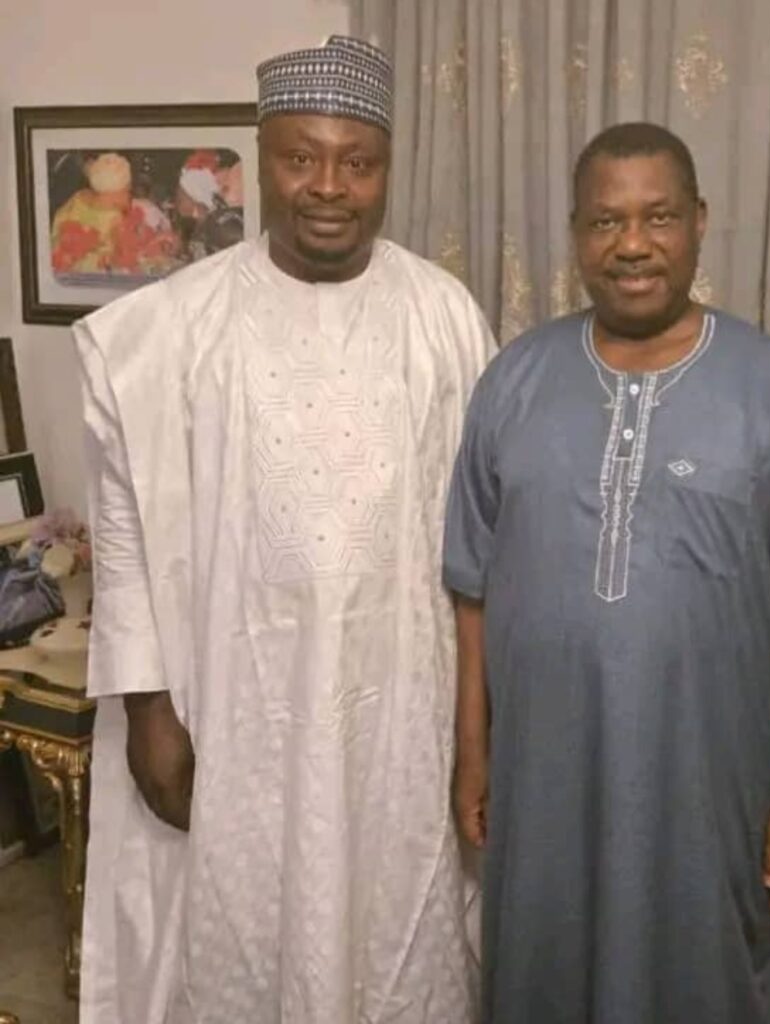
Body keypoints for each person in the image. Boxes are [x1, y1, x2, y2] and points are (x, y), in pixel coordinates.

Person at [75, 35, 494, 1024]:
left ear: (388, 168)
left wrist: (480, 728)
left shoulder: (444, 318)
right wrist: (146, 707)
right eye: (301, 157)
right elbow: (123, 529)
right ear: (260, 158)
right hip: (232, 707)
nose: (329, 187)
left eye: (358, 162)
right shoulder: (170, 330)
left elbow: (485, 541)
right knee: (238, 935)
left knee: (399, 927)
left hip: (402, 714)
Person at [443, 122, 770, 1024]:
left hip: (712, 780)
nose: (633, 244)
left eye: (659, 217)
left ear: (699, 222)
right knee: (542, 963)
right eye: (606, 221)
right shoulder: (513, 382)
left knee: (706, 973)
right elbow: (473, 585)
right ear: (575, 234)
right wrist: (475, 749)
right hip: (545, 774)